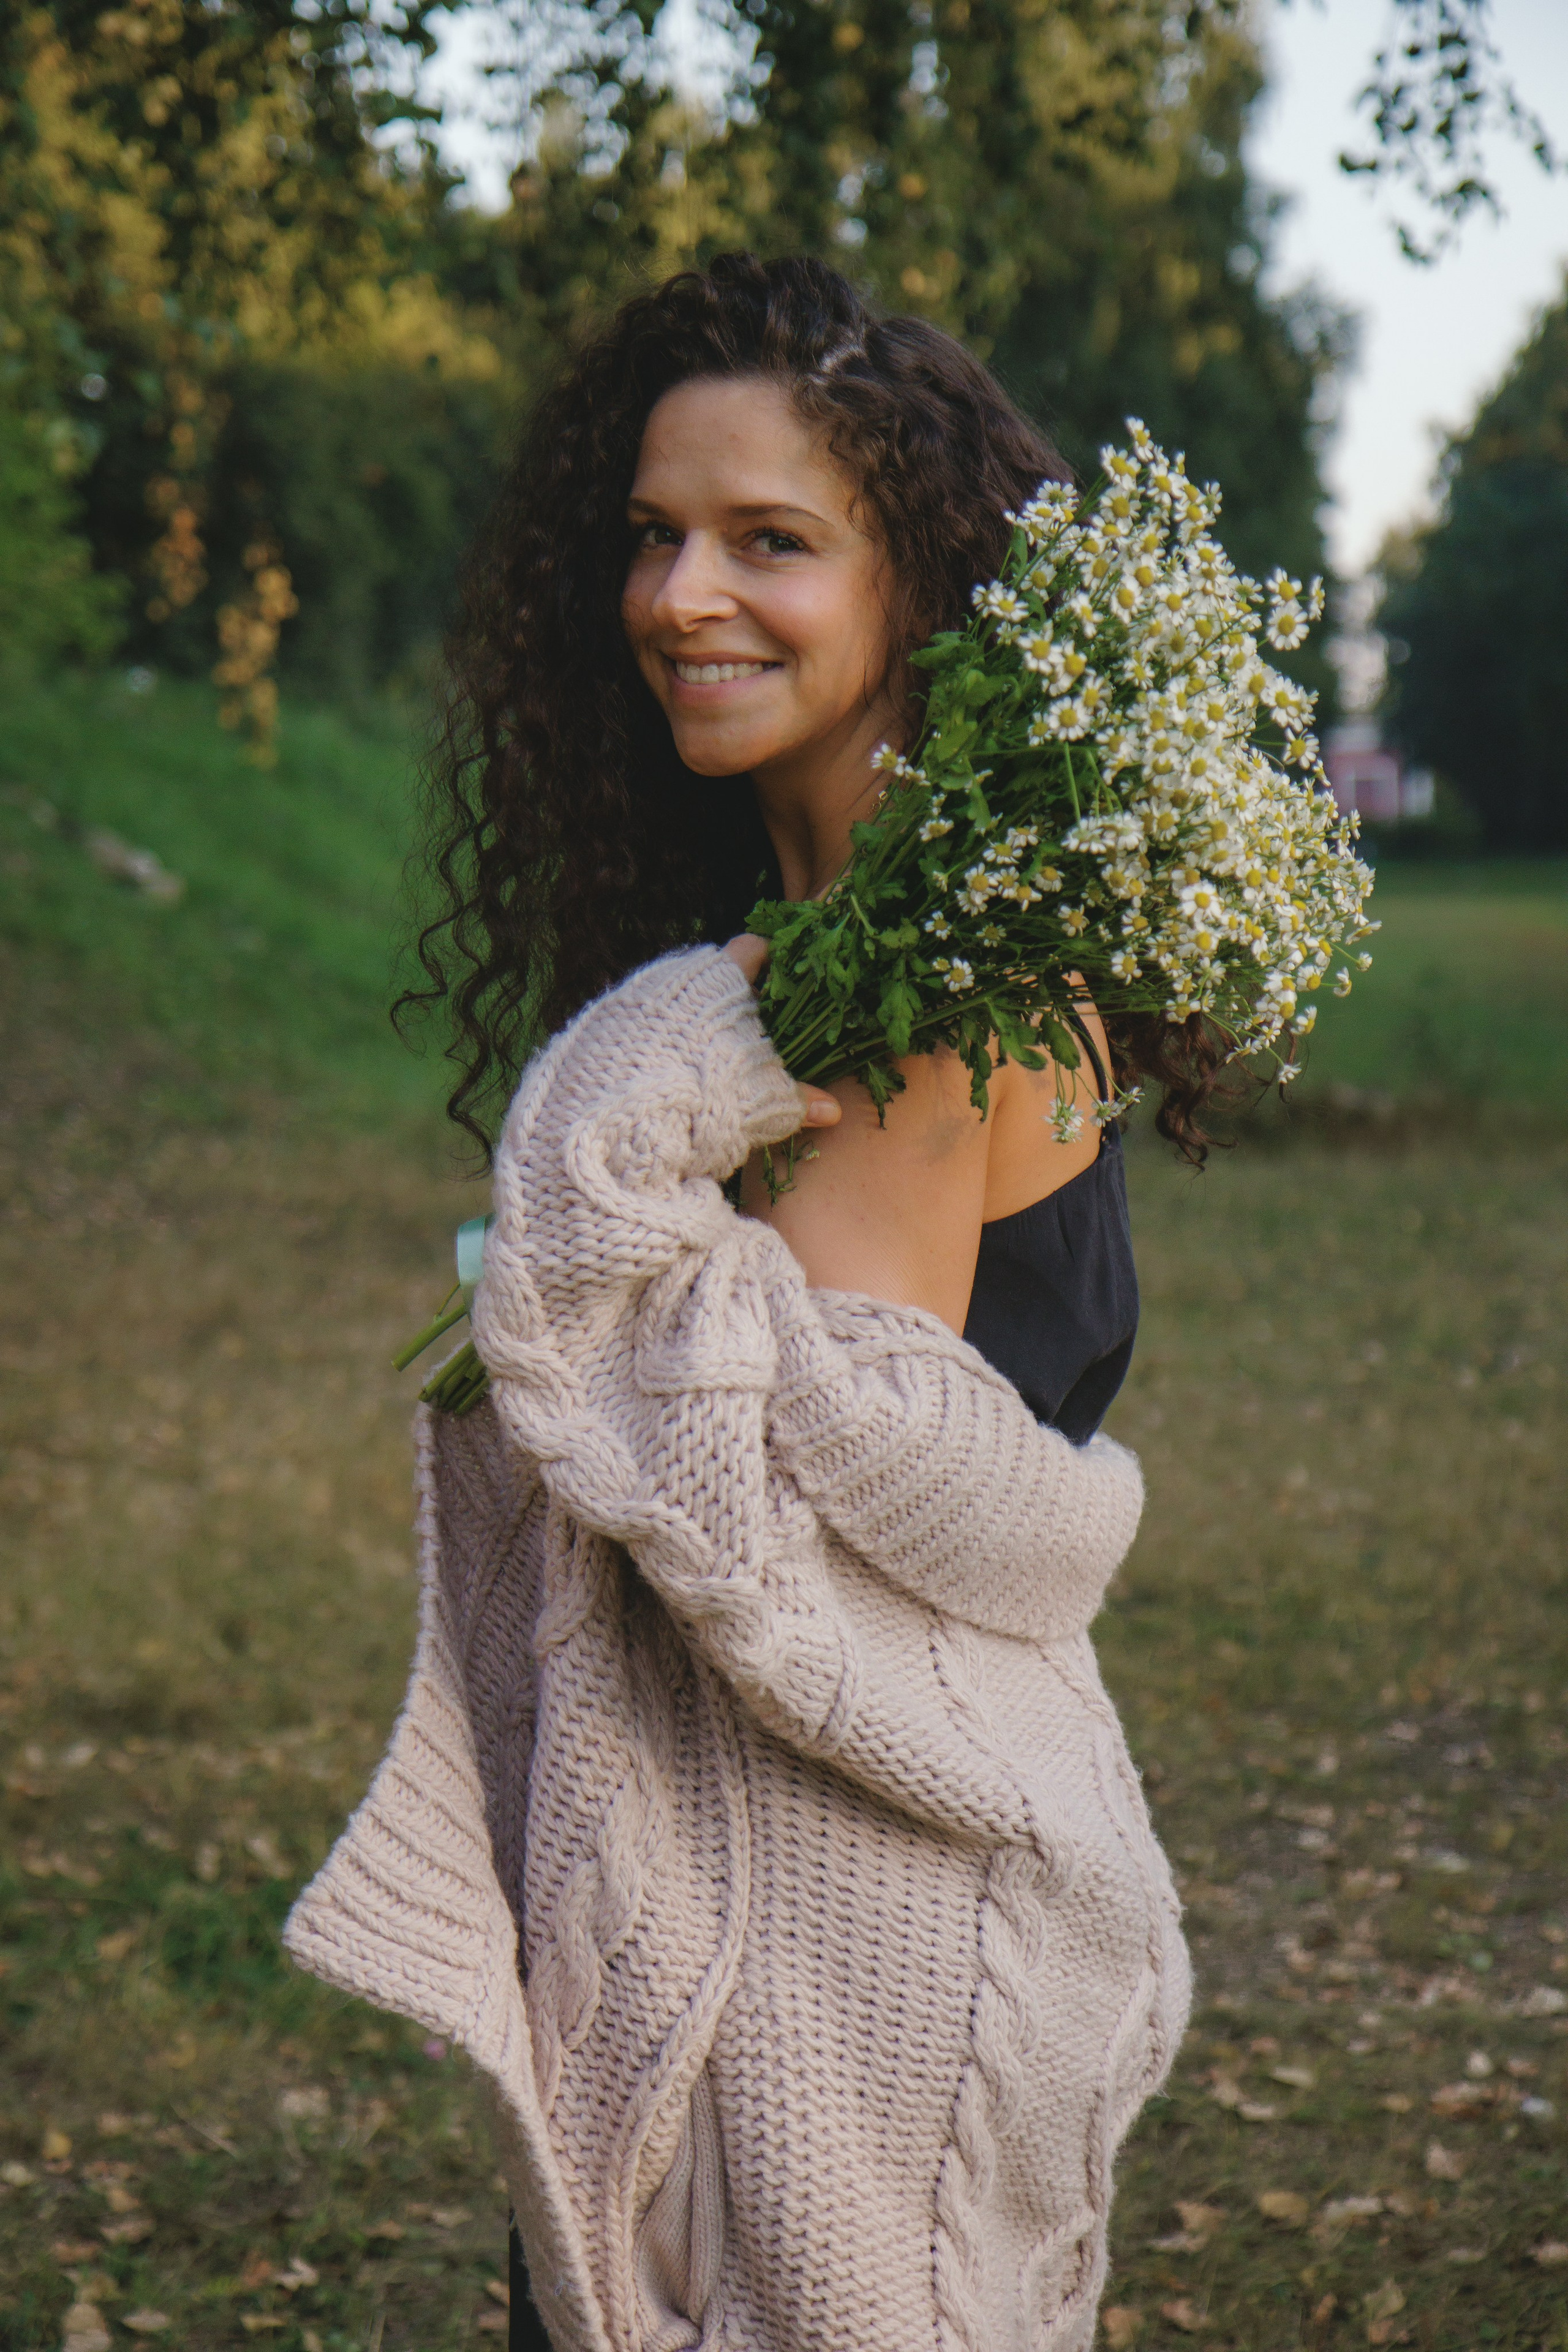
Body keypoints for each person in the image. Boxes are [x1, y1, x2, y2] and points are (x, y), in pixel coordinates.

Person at [287, 254, 1212, 2352]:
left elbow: (765, 1497)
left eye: (769, 542)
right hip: (801, 1877)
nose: (677, 594)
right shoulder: (812, 945)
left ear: (926, 589)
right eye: (652, 533)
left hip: (826, 1947)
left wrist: (602, 1116)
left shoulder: (897, 993)